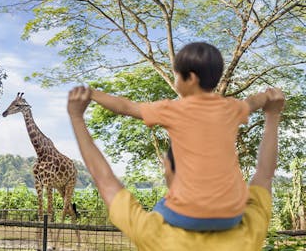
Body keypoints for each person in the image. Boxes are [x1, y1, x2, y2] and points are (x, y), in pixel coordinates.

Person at [68, 86, 284, 250]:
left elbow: (104, 180)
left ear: (168, 170)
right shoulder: (248, 229)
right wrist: (273, 116)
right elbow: (264, 176)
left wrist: (77, 117)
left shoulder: (154, 232)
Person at [88, 42, 275, 231]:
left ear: (191, 78)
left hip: (189, 215)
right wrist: (268, 96)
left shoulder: (173, 109)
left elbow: (126, 107)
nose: (175, 80)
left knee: (158, 209)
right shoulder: (232, 108)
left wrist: (93, 94)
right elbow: (252, 102)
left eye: (176, 75)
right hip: (232, 215)